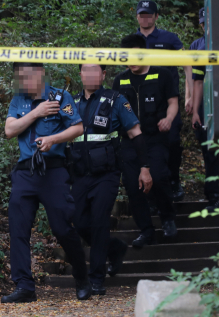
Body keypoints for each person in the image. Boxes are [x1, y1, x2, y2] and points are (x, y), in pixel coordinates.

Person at [2, 62, 91, 303]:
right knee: (18, 229)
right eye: (20, 76)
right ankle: (24, 286)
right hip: (24, 172)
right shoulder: (18, 100)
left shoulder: (60, 96)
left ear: (40, 73)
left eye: (28, 75)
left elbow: (78, 128)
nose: (24, 80)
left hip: (53, 171)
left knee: (62, 227)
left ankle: (82, 277)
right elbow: (10, 130)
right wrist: (37, 112)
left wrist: (53, 138)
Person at [68, 63, 152, 295]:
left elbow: (135, 133)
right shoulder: (72, 103)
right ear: (80, 74)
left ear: (103, 74)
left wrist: (145, 167)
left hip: (106, 174)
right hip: (80, 174)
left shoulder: (116, 100)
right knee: (77, 220)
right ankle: (113, 248)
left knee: (99, 221)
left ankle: (96, 279)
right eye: (86, 70)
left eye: (96, 70)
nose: (90, 74)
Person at [112, 34, 179, 248]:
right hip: (129, 142)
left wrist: (168, 119)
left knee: (158, 177)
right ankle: (146, 230)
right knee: (133, 186)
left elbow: (173, 102)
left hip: (155, 138)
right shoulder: (120, 80)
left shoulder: (162, 75)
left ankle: (167, 217)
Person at [134, 0, 191, 202]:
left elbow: (187, 64)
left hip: (169, 102)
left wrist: (190, 93)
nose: (145, 18)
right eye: (142, 14)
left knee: (173, 142)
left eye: (149, 14)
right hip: (142, 104)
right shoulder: (134, 41)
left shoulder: (169, 38)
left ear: (156, 16)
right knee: (144, 145)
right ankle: (150, 190)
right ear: (137, 17)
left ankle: (174, 181)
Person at [190, 8, 219, 212]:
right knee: (208, 152)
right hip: (205, 104)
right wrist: (194, 109)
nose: (205, 26)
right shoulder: (197, 46)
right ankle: (213, 195)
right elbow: (197, 81)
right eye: (203, 23)